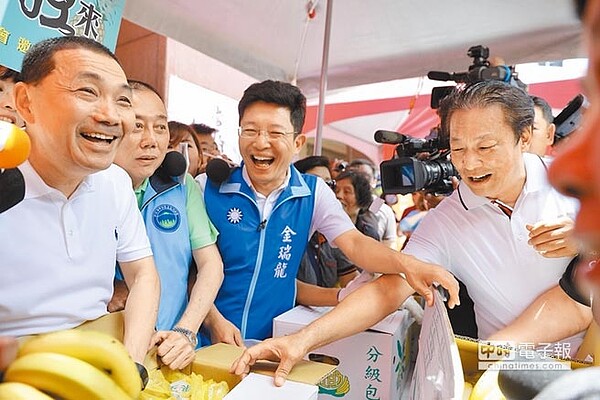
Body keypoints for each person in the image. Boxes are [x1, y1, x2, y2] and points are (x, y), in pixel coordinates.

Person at [231, 80, 591, 385]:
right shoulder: (449, 219)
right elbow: (389, 289)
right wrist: (301, 341)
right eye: (458, 149)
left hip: (586, 365)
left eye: (485, 147)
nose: (469, 163)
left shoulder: (579, 184)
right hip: (499, 373)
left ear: (524, 137)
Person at [197, 79, 458, 345]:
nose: (261, 143)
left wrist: (406, 264)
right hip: (205, 342)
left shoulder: (312, 193)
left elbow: (355, 243)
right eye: (250, 131)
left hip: (275, 343)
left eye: (275, 133)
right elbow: (188, 270)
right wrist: (212, 320)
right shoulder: (207, 188)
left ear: (298, 142)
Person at [0, 36, 160, 364]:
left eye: (123, 101)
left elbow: (143, 273)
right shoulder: (5, 182)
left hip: (96, 354)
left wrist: (132, 364)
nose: (110, 115)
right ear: (25, 102)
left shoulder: (116, 182)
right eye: (87, 91)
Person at [110, 81, 223, 369]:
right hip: (106, 350)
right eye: (137, 126)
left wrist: (186, 331)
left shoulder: (182, 186)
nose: (151, 140)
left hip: (171, 354)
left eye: (160, 127)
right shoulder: (89, 186)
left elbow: (211, 266)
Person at [293, 156, 359, 288]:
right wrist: (339, 296)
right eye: (314, 181)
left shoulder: (330, 231)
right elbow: (294, 290)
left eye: (328, 184)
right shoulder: (286, 229)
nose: (322, 189)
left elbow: (350, 277)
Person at [348, 158, 398, 249]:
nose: (359, 181)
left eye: (364, 176)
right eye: (354, 176)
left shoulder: (381, 208)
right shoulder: (338, 204)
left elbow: (390, 244)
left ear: (374, 181)